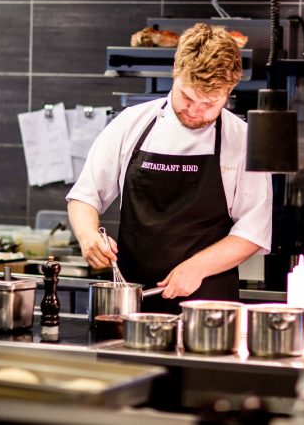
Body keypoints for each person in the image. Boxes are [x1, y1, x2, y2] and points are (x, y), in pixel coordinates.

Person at [66, 23, 272, 313]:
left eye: (209, 103)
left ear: (230, 89)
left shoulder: (242, 140)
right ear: (176, 70)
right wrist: (88, 235)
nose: (195, 111)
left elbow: (253, 231)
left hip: (208, 310)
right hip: (133, 303)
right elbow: (84, 197)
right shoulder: (131, 123)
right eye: (187, 97)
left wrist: (198, 267)